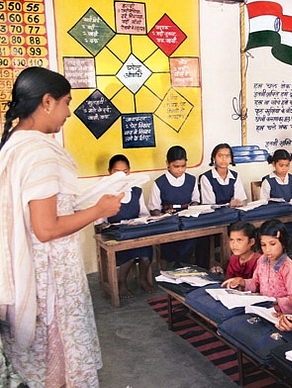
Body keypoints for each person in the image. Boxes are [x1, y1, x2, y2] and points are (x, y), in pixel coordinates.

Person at [0, 67, 123, 387]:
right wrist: (100, 208)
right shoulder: (39, 152)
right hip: (49, 277)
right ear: (47, 102)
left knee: (41, 363)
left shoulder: (15, 143)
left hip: (28, 266)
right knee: (60, 362)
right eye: (67, 102)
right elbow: (46, 229)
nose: (69, 112)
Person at [95, 154, 154, 299]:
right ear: (110, 172)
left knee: (146, 253)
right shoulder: (104, 192)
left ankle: (142, 279)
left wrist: (138, 222)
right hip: (115, 235)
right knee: (128, 254)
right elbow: (99, 222)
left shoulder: (136, 191)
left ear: (130, 172)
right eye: (117, 172)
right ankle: (121, 283)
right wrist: (108, 227)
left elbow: (143, 214)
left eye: (125, 171)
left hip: (133, 231)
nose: (122, 175)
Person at [222, 219, 292, 314]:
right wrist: (242, 282)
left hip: (281, 314)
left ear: (283, 243)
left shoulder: (288, 268)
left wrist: (276, 301)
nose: (267, 249)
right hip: (263, 308)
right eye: (263, 245)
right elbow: (256, 283)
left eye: (272, 244)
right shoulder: (262, 261)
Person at [148, 145, 200, 267]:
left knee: (194, 236)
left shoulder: (191, 180)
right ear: (167, 164)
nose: (180, 170)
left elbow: (196, 201)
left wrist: (192, 208)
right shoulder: (159, 183)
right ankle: (175, 265)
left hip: (187, 221)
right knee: (170, 240)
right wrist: (162, 215)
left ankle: (184, 265)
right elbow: (153, 208)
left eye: (183, 166)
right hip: (168, 223)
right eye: (176, 166)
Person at [260, 149, 292, 241]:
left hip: (291, 215)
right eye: (281, 165)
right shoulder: (268, 181)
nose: (284, 168)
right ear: (274, 164)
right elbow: (263, 202)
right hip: (276, 217)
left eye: (287, 165)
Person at [200, 143, 247, 207]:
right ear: (214, 158)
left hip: (232, 212)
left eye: (227, 156)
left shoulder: (235, 176)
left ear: (231, 159)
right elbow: (209, 205)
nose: (224, 159)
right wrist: (229, 205)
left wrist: (237, 203)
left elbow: (239, 200)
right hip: (215, 215)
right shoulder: (206, 178)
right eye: (220, 156)